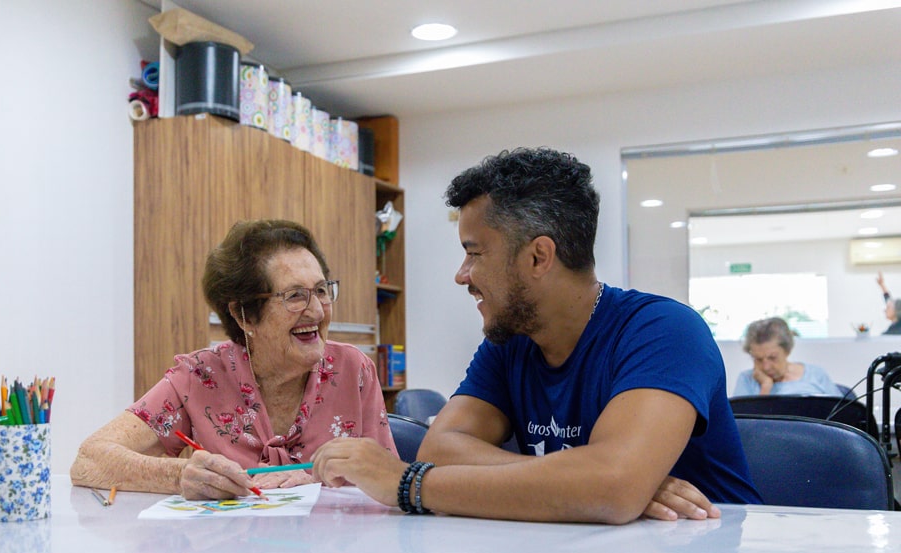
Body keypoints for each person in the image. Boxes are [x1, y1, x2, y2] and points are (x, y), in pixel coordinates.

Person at [312, 147, 762, 523]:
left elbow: (612, 486)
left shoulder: (665, 331)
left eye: (474, 253)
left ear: (538, 257)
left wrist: (408, 484)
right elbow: (441, 450)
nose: (461, 275)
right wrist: (580, 485)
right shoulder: (511, 341)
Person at [71, 220, 397, 499]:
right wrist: (179, 475)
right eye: (295, 296)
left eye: (322, 291)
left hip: (331, 549)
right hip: (232, 551)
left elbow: (391, 479)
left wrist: (317, 484)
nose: (316, 311)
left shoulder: (354, 369)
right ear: (244, 316)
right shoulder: (201, 377)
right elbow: (89, 460)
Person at [731, 317, 840, 396]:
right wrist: (766, 387)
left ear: (787, 350)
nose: (766, 367)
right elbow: (746, 420)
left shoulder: (816, 375)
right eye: (758, 359)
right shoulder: (747, 380)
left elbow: (841, 415)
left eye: (772, 358)